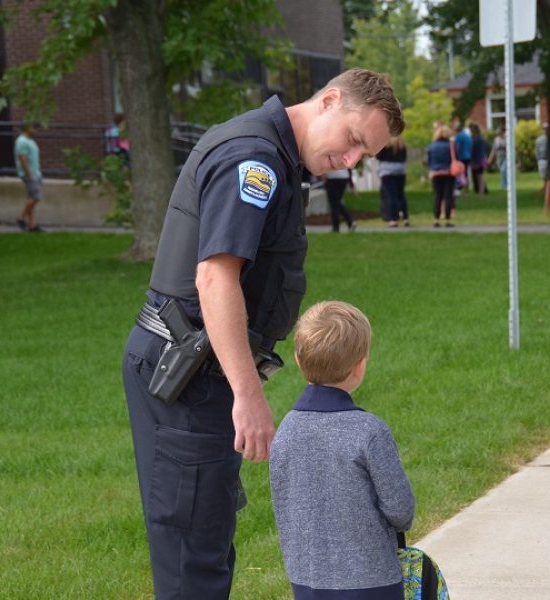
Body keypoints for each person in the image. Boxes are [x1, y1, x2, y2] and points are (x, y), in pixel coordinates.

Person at [121, 69, 403, 600]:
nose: (350, 161)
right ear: (330, 101)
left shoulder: (274, 155)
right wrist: (248, 395)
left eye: (363, 156)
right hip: (186, 376)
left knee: (206, 541)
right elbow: (215, 276)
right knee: (192, 560)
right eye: (354, 141)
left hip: (199, 371)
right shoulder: (253, 160)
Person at [270, 300, 415, 599]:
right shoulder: (370, 432)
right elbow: (401, 512)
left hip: (306, 578)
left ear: (298, 359)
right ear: (359, 366)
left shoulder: (285, 430)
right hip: (371, 581)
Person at [14, 123, 43, 233]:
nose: (37, 130)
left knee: (31, 197)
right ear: (27, 128)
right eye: (35, 128)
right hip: (30, 174)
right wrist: (29, 174)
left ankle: (32, 225)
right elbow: (22, 158)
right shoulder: (22, 141)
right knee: (36, 197)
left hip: (35, 173)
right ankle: (21, 218)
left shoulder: (30, 140)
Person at [427, 125, 456, 227]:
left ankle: (436, 219)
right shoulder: (451, 145)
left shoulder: (432, 146)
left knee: (438, 197)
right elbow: (455, 158)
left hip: (436, 173)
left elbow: (429, 161)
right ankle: (448, 220)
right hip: (448, 173)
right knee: (448, 197)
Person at [377, 136, 409, 227]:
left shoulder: (385, 145)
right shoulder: (401, 145)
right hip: (400, 171)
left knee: (391, 196)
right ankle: (405, 217)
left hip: (387, 171)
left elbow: (379, 157)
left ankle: (393, 219)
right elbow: (404, 158)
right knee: (401, 194)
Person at [324, 167, 357, 232]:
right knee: (337, 202)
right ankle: (350, 222)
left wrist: (324, 176)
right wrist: (351, 185)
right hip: (344, 176)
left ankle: (337, 227)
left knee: (334, 203)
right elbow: (349, 166)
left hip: (332, 177)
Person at [469, 122, 489, 195]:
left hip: (479, 160)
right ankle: (480, 190)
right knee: (478, 176)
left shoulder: (477, 139)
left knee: (480, 176)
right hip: (476, 160)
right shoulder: (476, 139)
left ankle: (481, 192)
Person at [488, 125, 508, 189]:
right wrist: (490, 159)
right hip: (499, 158)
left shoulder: (507, 138)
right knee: (502, 171)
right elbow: (494, 149)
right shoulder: (496, 139)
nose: (498, 132)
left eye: (500, 131)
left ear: (503, 131)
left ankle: (504, 185)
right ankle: (505, 183)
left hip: (506, 157)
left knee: (503, 170)